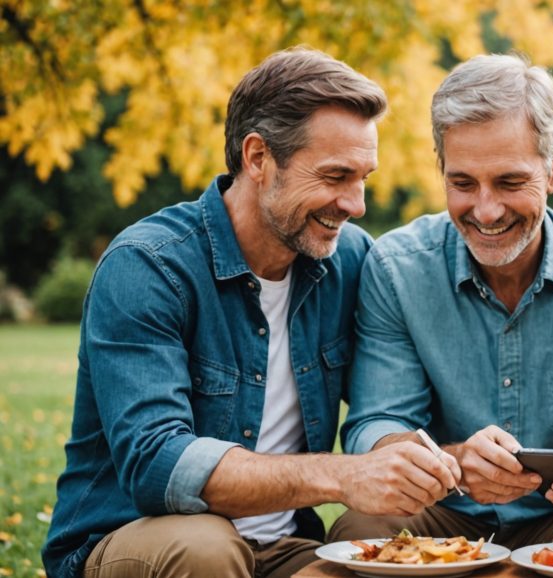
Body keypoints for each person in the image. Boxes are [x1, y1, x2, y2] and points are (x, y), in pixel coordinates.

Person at [42, 47, 461, 578]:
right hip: (140, 539)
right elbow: (156, 463)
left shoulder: (348, 260)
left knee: (385, 560)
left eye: (363, 179)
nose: (355, 204)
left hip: (284, 548)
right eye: (335, 177)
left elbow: (387, 401)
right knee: (206, 547)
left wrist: (434, 453)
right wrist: (343, 475)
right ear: (258, 158)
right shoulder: (148, 266)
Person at [330, 53, 553, 548]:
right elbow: (378, 421)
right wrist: (451, 461)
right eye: (462, 183)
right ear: (441, 168)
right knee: (358, 529)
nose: (485, 210)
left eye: (510, 181)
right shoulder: (397, 268)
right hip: (439, 511)